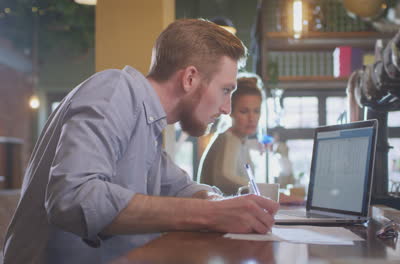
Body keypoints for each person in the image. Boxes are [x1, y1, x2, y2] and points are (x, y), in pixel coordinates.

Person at [2, 19, 279, 264]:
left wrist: (221, 204)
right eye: (226, 90)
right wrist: (210, 214)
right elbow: (73, 197)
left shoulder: (149, 124)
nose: (226, 109)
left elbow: (182, 188)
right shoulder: (113, 90)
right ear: (190, 78)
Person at [198, 75, 263, 195]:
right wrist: (264, 190)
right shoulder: (229, 139)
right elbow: (224, 177)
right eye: (244, 111)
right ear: (230, 111)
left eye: (256, 111)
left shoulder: (240, 141)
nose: (252, 118)